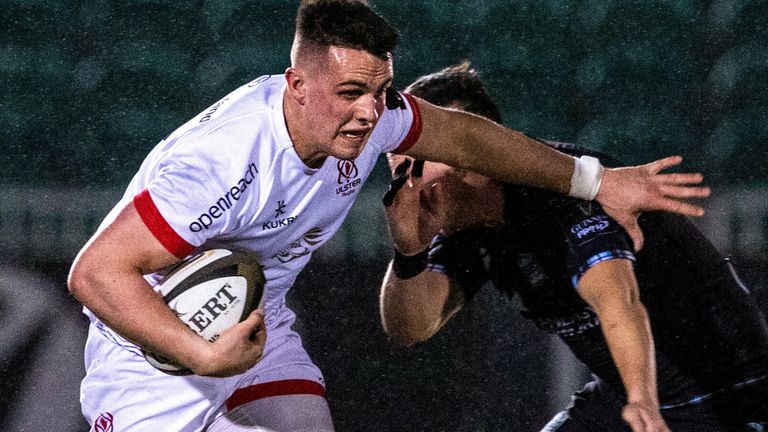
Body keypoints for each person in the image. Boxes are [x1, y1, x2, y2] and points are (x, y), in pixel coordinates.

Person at [68, 1, 709, 431]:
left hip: (256, 323)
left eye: (380, 92)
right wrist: (200, 356)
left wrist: (594, 180)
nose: (371, 113)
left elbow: (465, 137)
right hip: (157, 353)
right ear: (295, 85)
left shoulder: (372, 119)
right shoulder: (221, 163)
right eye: (350, 93)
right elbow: (95, 275)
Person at [379, 63, 768, 432]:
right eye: (394, 164)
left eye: (412, 161)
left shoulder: (564, 191)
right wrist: (408, 251)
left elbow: (618, 299)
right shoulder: (460, 223)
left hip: (733, 396)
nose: (401, 181)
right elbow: (411, 327)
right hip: (622, 398)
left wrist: (641, 399)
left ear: (470, 159)